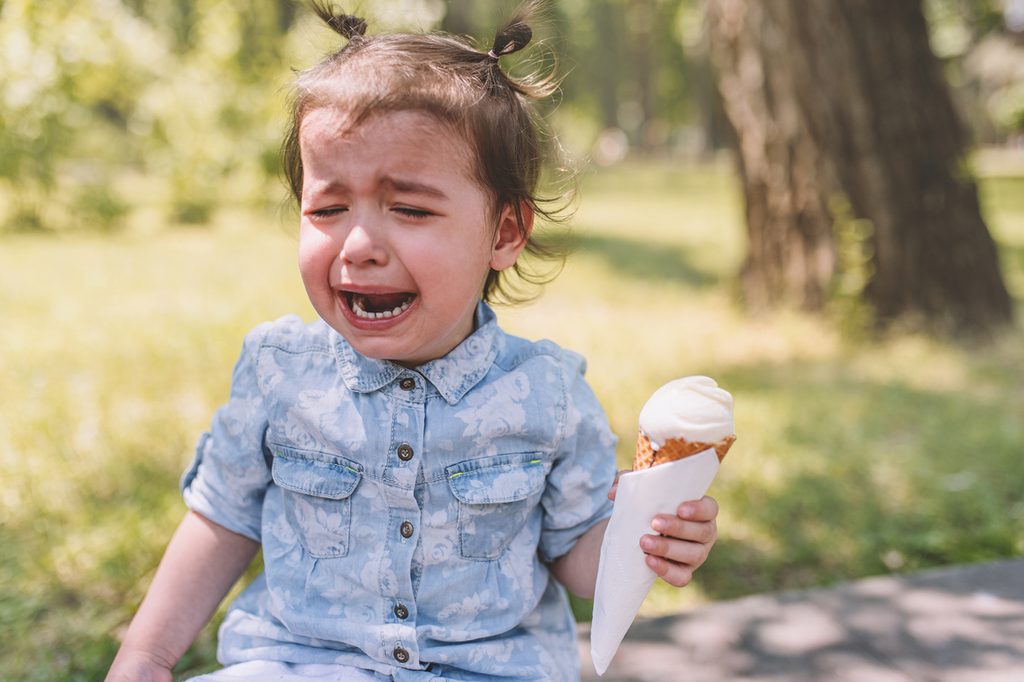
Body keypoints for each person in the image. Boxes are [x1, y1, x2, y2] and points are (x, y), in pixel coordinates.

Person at [106, 3, 720, 680]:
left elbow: (576, 555)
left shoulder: (545, 394)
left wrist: (644, 536)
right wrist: (148, 654)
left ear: (504, 233)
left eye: (411, 209)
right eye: (328, 208)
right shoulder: (280, 374)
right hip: (301, 665)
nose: (360, 245)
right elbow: (221, 520)